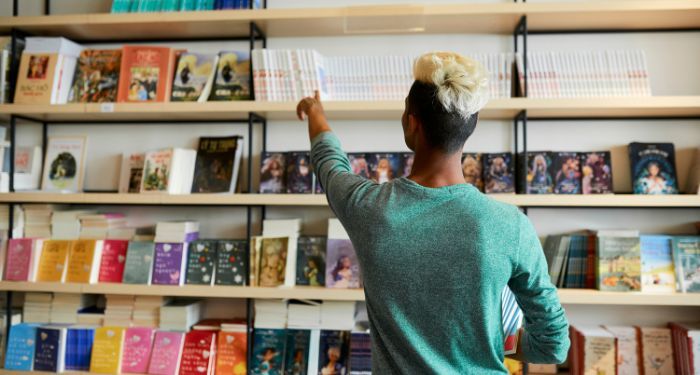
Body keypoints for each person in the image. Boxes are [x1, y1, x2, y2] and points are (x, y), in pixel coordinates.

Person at [297, 51, 569, 373]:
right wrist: (494, 339)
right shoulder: (511, 226)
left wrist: (315, 114)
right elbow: (553, 344)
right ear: (468, 128)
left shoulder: (367, 207)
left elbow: (330, 166)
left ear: (412, 122)